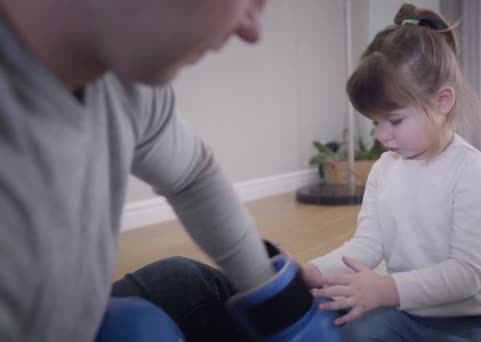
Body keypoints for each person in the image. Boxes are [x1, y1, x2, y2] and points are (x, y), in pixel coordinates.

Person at [0, 0, 275, 341]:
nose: (253, 30)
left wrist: (273, 293)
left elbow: (192, 175)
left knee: (184, 282)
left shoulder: (119, 84)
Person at [297, 3, 481, 341]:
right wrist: (313, 272)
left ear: (442, 101)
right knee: (348, 331)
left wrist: (388, 290)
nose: (382, 135)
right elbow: (366, 246)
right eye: (375, 122)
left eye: (395, 120)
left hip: (475, 319)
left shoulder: (474, 172)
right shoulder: (384, 170)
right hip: (409, 310)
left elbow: (467, 273)